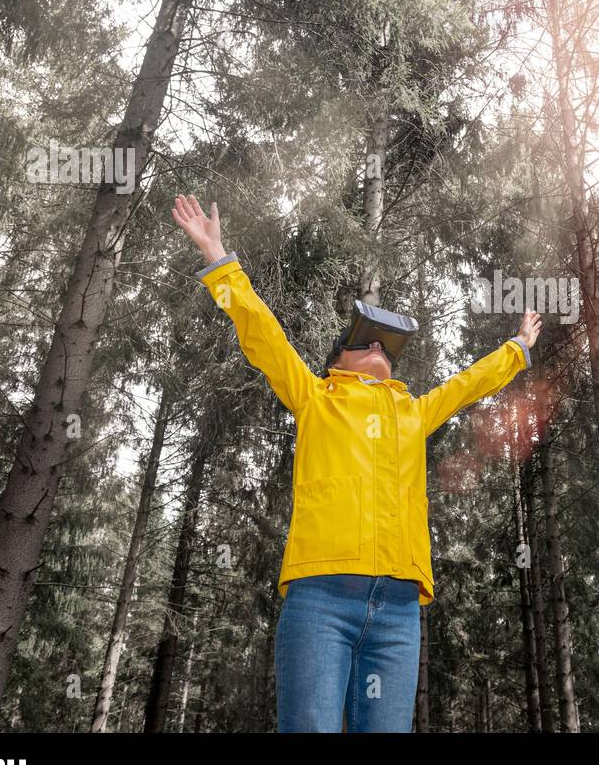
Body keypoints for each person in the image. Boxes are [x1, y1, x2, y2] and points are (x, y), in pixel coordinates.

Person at [171, 194, 542, 732]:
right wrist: (218, 259)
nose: (378, 348)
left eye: (387, 348)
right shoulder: (315, 398)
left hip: (398, 608)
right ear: (336, 360)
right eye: (364, 341)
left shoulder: (414, 412)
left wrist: (517, 348)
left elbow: (467, 386)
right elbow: (263, 336)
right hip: (320, 598)